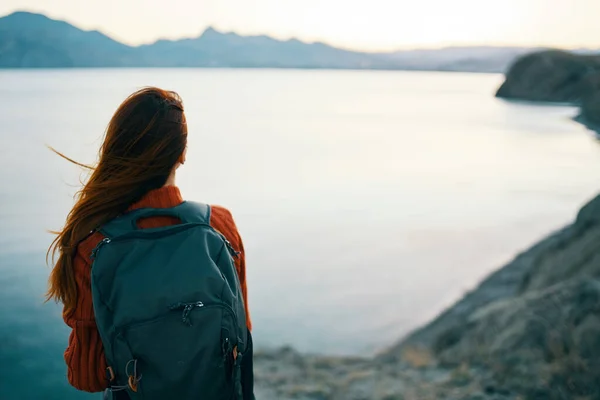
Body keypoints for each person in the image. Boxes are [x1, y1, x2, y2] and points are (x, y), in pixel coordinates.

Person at [45, 87, 254, 399]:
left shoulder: (93, 244)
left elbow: (86, 377)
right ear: (182, 154)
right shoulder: (219, 226)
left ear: (116, 151)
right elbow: (242, 335)